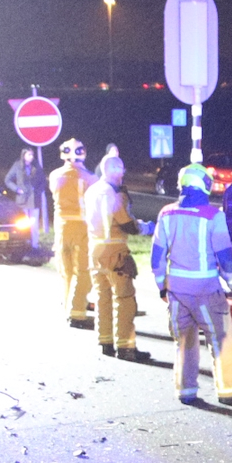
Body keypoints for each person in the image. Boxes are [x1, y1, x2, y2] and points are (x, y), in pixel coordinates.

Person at [153, 163, 232, 405]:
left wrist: (162, 286)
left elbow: (157, 256)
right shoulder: (214, 216)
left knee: (184, 341)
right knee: (222, 340)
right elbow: (225, 258)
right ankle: (229, 392)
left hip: (176, 292)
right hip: (206, 292)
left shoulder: (166, 213)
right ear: (205, 184)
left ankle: (186, 391)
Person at [84, 152, 145, 361]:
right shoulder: (114, 193)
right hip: (115, 252)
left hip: (94, 251)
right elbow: (126, 222)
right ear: (115, 171)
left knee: (103, 298)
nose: (123, 174)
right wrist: (143, 227)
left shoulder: (91, 191)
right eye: (121, 170)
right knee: (124, 299)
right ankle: (126, 347)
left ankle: (105, 341)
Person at [48, 138, 97, 329]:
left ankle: (67, 304)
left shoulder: (54, 175)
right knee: (83, 271)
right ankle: (77, 312)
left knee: (66, 270)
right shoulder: (89, 178)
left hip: (61, 227)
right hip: (82, 227)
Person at [4, 147, 48, 248]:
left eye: (32, 155)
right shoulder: (18, 165)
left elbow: (43, 181)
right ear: (24, 155)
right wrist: (17, 189)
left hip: (34, 199)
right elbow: (8, 180)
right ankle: (23, 244)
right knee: (22, 224)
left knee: (34, 224)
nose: (31, 157)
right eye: (29, 155)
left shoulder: (36, 166)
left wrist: (39, 191)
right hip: (22, 199)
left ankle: (34, 245)